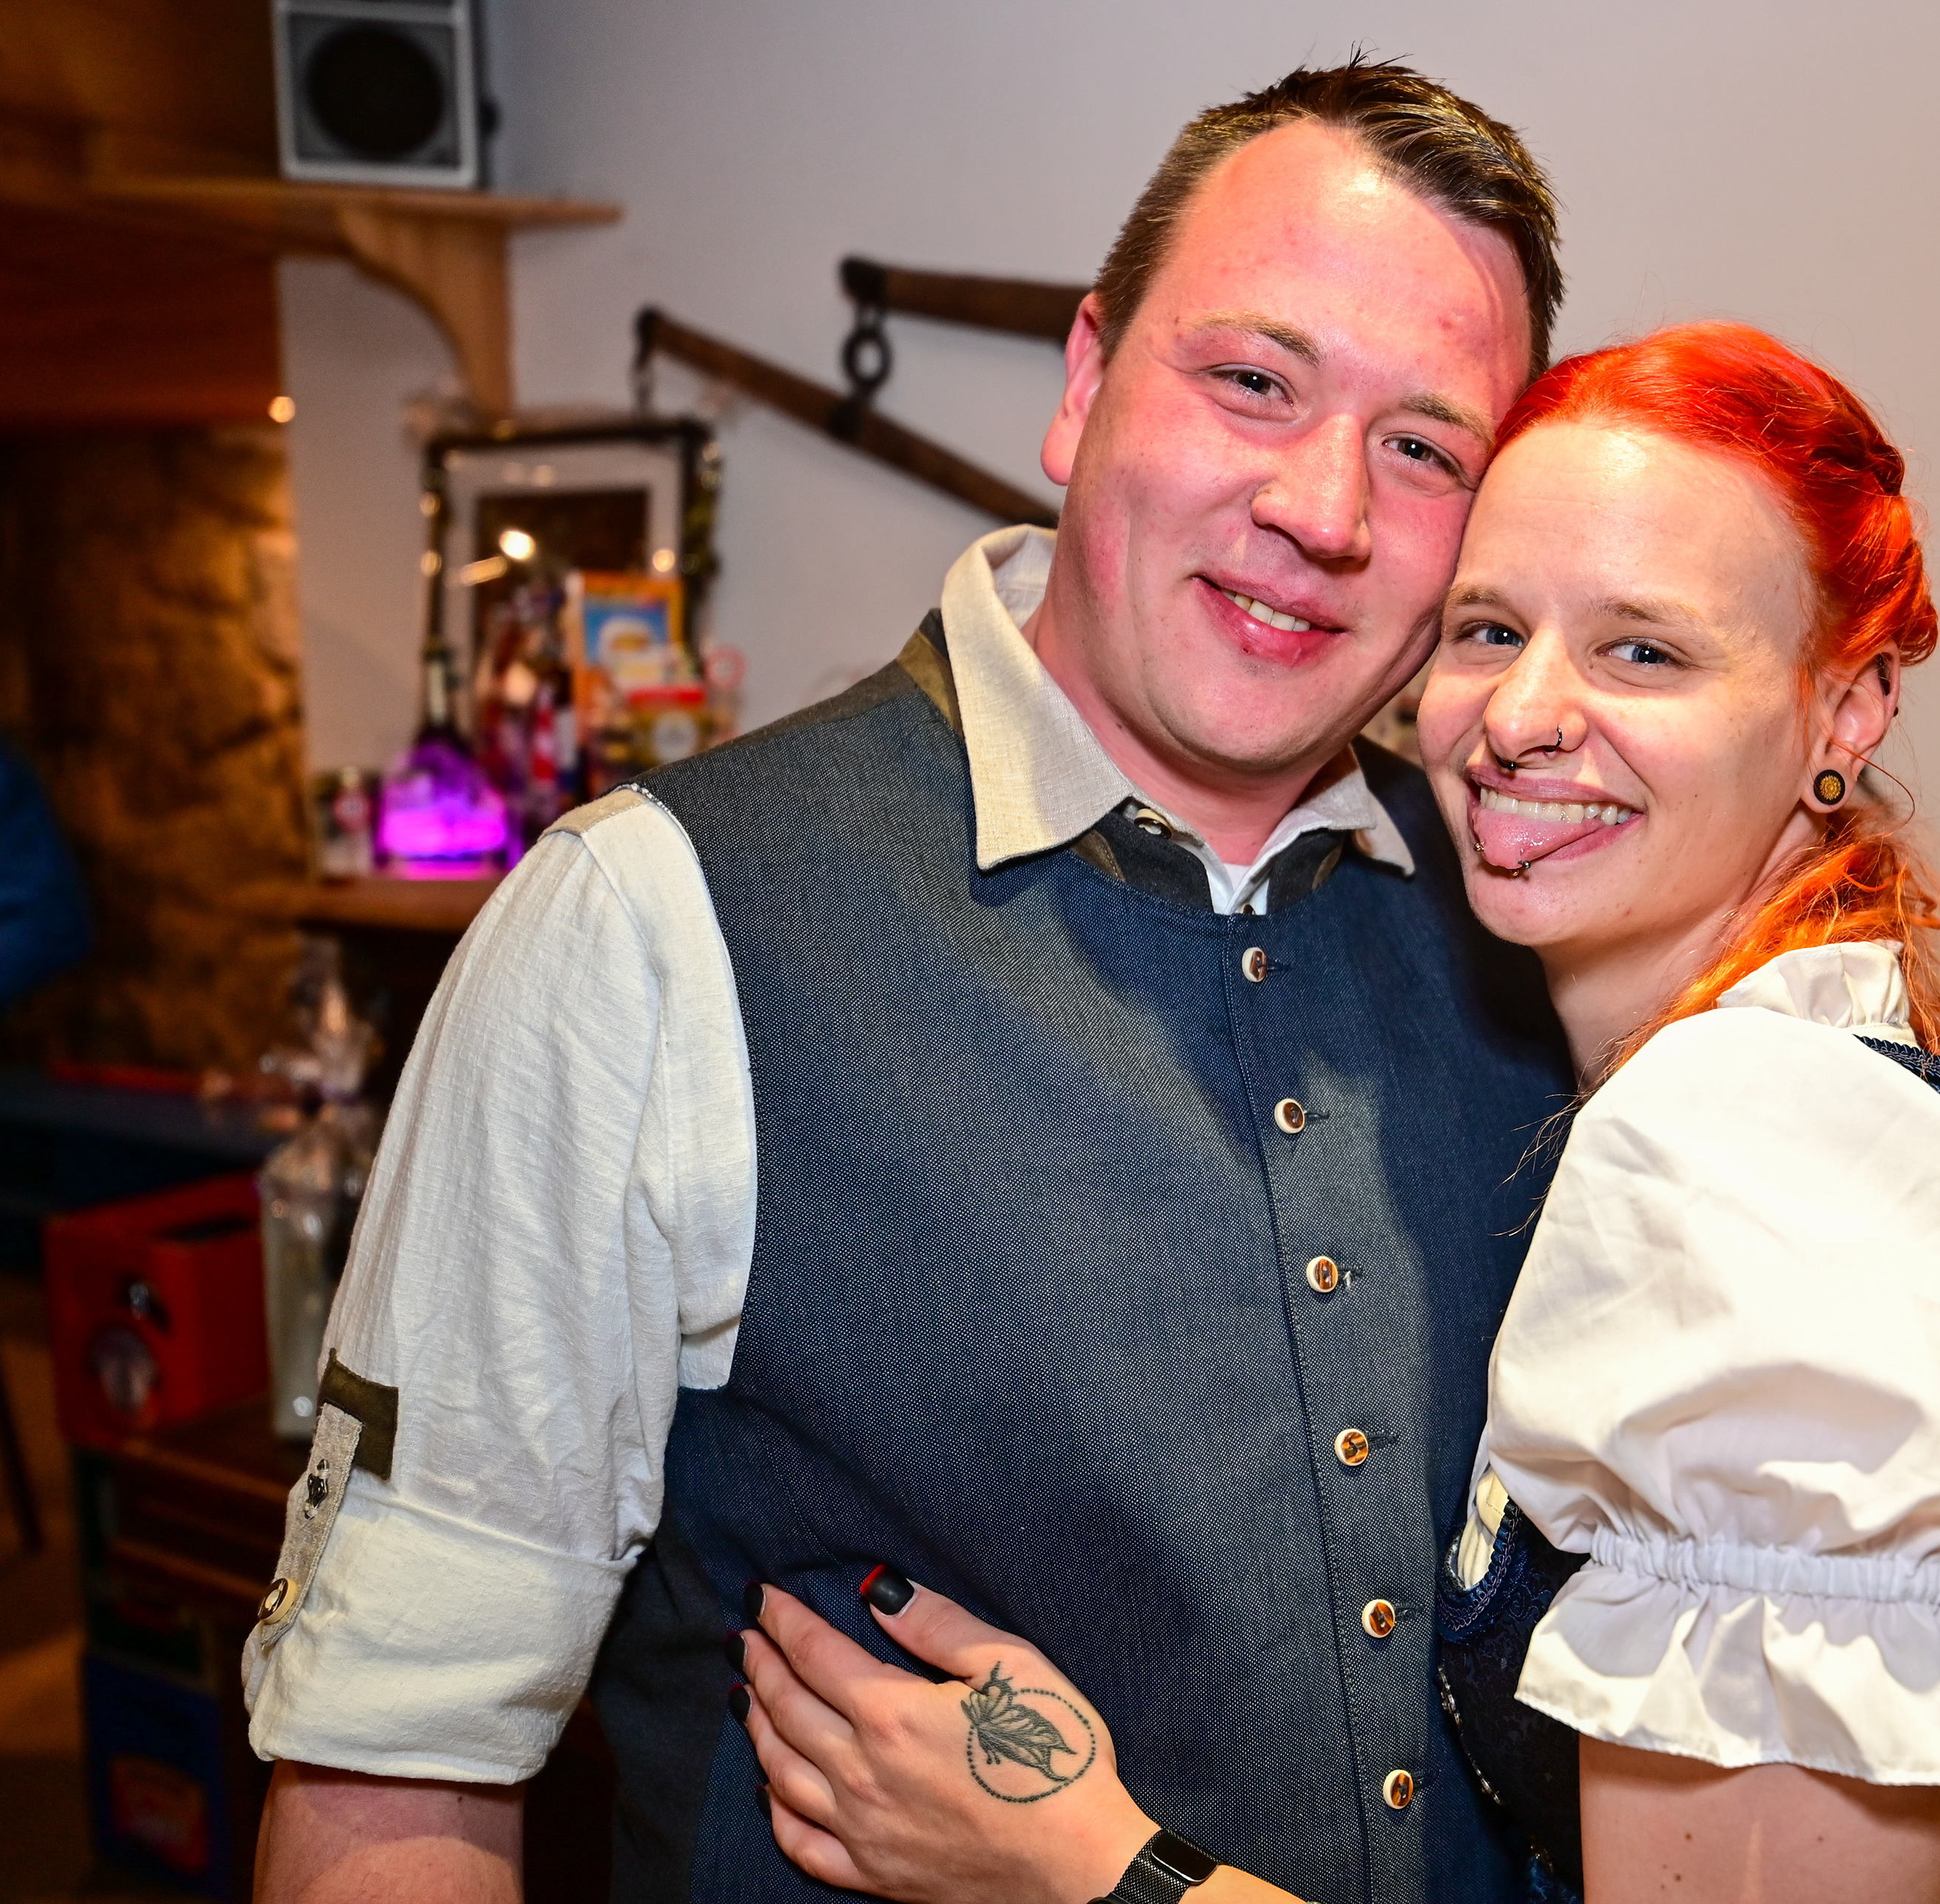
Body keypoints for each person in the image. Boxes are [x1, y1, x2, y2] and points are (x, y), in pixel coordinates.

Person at [245, 61, 1575, 1904]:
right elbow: (399, 1770)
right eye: (1254, 382)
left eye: (1426, 449)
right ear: (1086, 380)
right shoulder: (646, 928)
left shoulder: (1537, 918)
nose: (1325, 508)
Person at [729, 325, 1940, 1904]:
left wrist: (1095, 1871)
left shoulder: (1750, 1151)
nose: (1520, 715)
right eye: (1488, 628)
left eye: (1642, 653)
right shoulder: (1794, 1080)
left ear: (1846, 710)